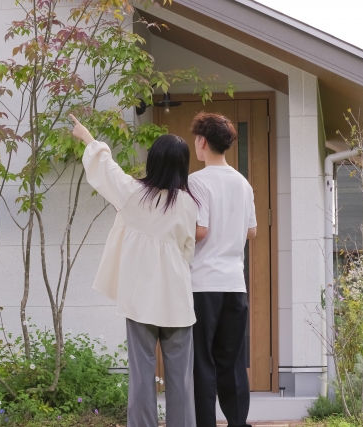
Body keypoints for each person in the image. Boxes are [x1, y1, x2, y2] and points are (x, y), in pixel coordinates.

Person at [69, 114, 198, 427]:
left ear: (153, 161)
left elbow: (107, 170)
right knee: (181, 380)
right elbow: (187, 251)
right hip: (178, 299)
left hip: (141, 299)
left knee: (141, 376)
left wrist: (87, 137)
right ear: (182, 166)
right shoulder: (187, 204)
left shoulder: (133, 194)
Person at [188, 112, 257, 427]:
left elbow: (200, 231)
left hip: (203, 283)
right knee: (232, 361)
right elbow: (252, 231)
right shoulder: (243, 183)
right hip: (234, 283)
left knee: (202, 361)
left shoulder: (196, 181)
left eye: (196, 140)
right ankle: (238, 423)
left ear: (202, 142)